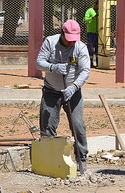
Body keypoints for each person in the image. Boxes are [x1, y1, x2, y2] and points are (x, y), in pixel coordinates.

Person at [36, 19, 91, 174]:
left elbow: (85, 70)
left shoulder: (80, 47)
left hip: (73, 92)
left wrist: (74, 87)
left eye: (74, 40)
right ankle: (52, 159)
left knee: (78, 125)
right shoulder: (50, 42)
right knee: (47, 125)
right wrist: (53, 67)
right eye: (68, 40)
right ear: (62, 33)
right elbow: (39, 63)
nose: (71, 43)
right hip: (51, 91)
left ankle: (82, 159)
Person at [84, 0, 99, 68]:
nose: (99, 7)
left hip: (98, 32)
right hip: (91, 32)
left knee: (98, 48)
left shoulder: (100, 11)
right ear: (95, 5)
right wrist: (92, 18)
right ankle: (90, 63)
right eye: (98, 5)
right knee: (90, 48)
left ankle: (98, 63)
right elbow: (85, 19)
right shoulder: (90, 10)